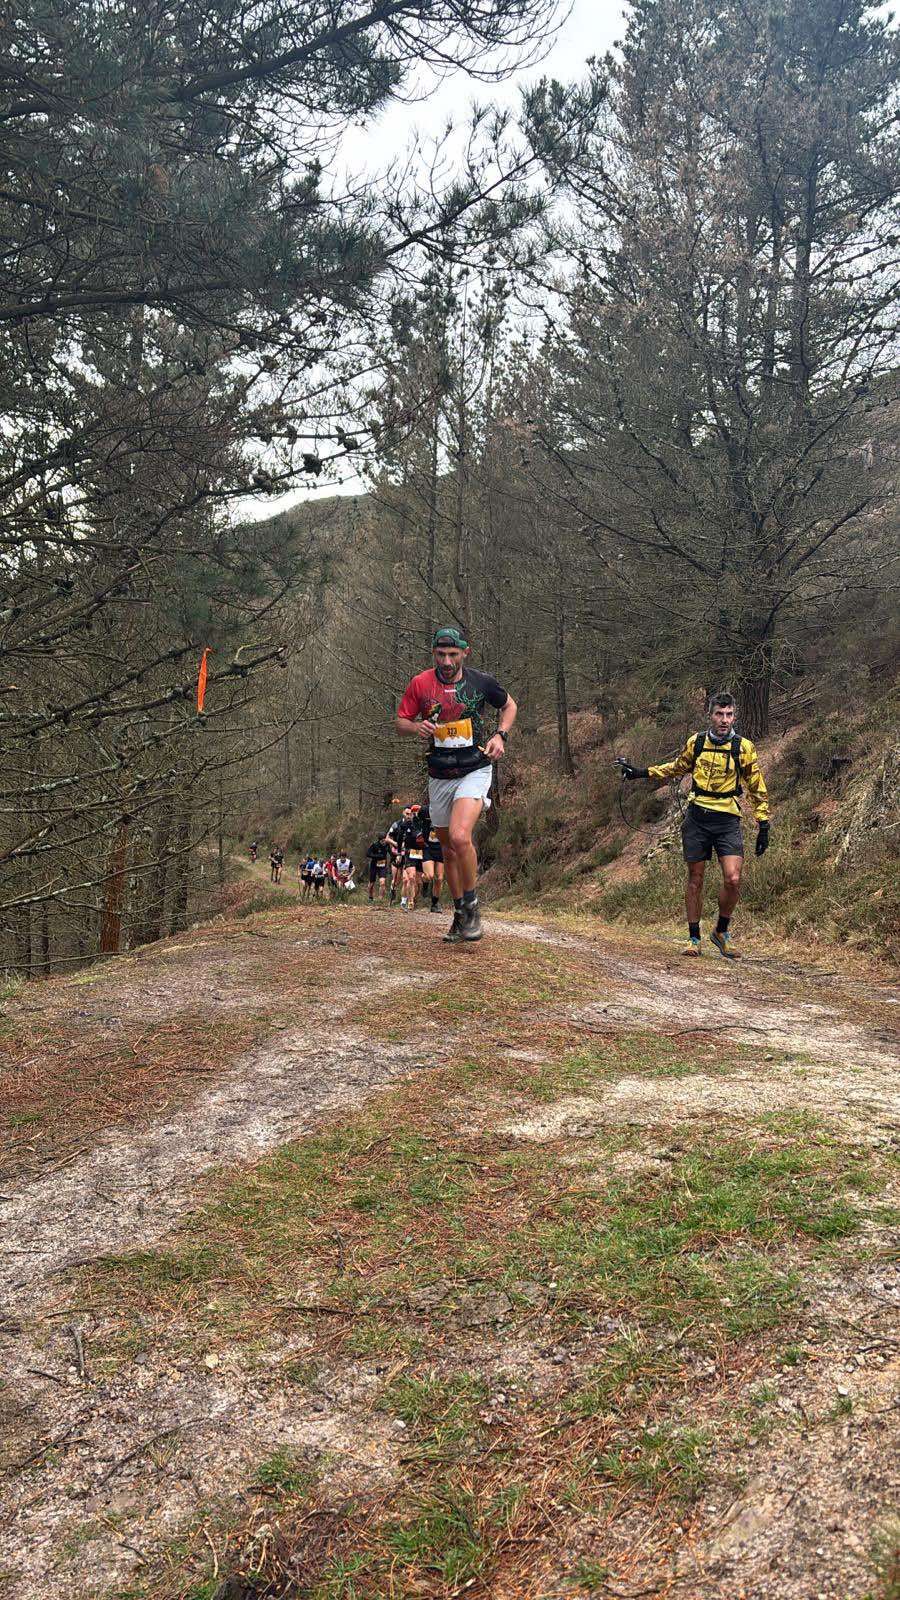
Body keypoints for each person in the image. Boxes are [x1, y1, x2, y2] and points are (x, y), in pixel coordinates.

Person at [618, 691, 770, 958]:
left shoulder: (743, 747)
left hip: (728, 819)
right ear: (710, 715)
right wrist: (641, 773)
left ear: (735, 715)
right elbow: (676, 768)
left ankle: (721, 931)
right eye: (719, 714)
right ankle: (693, 937)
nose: (724, 720)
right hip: (698, 817)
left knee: (733, 878)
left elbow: (757, 787)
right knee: (695, 879)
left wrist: (764, 823)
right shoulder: (696, 743)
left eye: (729, 714)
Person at [396, 626, 516, 943]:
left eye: (453, 654)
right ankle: (460, 912)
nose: (447, 661)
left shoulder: (480, 682)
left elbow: (509, 706)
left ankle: (473, 906)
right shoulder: (421, 684)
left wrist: (500, 735)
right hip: (439, 774)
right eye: (441, 654)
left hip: (474, 768)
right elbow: (400, 722)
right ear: (433, 654)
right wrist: (415, 727)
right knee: (448, 851)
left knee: (461, 838)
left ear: (465, 653)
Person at [420, 807, 444, 912]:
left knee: (439, 878)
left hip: (441, 848)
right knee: (429, 875)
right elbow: (417, 819)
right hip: (428, 847)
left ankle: (435, 903)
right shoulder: (426, 811)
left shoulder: (446, 811)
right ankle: (425, 883)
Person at [366, 837, 390, 902]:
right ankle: (370, 897)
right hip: (374, 865)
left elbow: (391, 852)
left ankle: (380, 899)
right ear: (379, 840)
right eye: (382, 841)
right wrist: (377, 856)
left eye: (385, 841)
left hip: (382, 866)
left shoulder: (387, 845)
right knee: (371, 884)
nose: (384, 842)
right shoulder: (374, 845)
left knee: (382, 882)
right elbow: (368, 854)